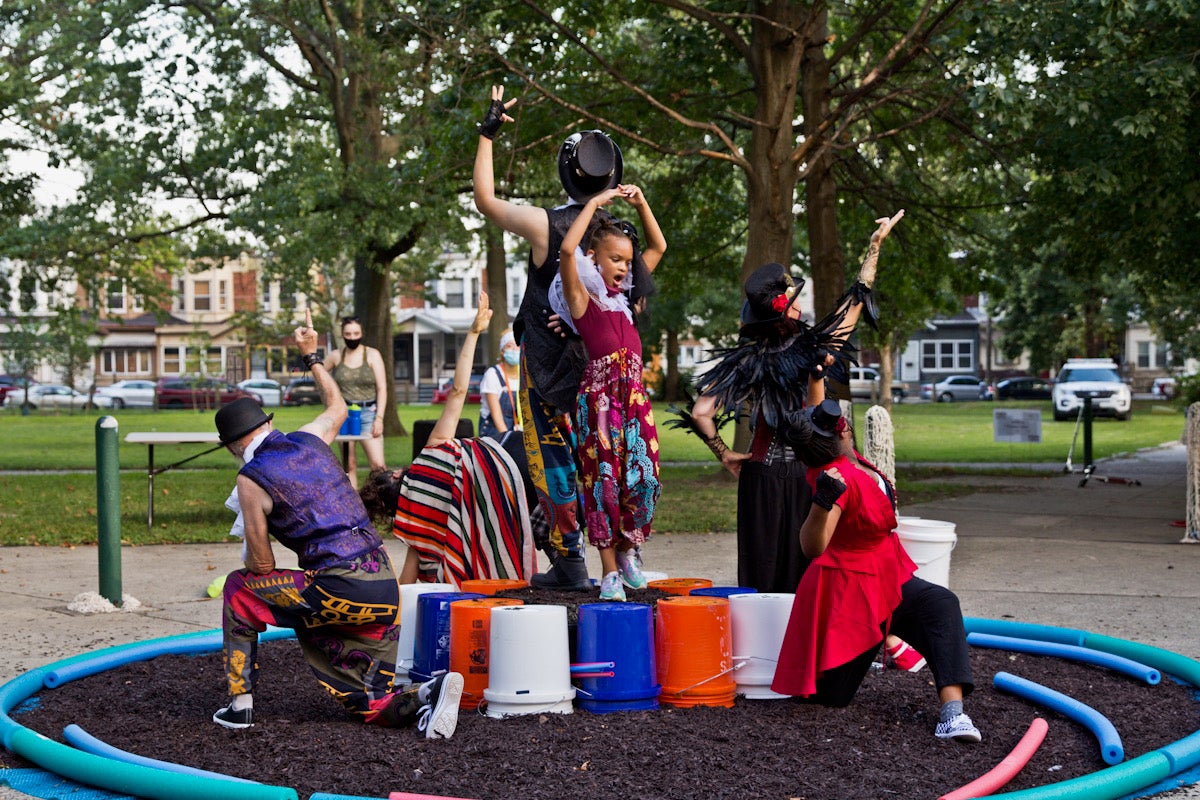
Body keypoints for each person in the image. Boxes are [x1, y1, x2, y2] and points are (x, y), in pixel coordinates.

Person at [211, 308, 463, 738]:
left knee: (238, 589)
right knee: (370, 705)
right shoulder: (310, 436)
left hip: (338, 587)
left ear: (233, 448)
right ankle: (430, 692)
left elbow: (262, 569)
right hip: (384, 587)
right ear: (269, 424)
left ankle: (240, 705)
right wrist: (312, 356)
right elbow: (339, 405)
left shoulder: (250, 480)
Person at [473, 85, 653, 591]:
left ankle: (571, 559)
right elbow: (636, 298)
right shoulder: (619, 234)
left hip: (549, 371)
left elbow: (485, 199)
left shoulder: (547, 225)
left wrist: (488, 132)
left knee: (551, 458)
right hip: (605, 374)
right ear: (612, 176)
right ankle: (621, 558)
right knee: (607, 460)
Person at [685, 212, 904, 595]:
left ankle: (761, 647)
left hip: (759, 478)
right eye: (795, 301)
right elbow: (854, 306)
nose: (801, 307)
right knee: (807, 576)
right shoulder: (815, 348)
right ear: (787, 311)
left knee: (761, 576)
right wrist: (874, 248)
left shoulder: (746, 359)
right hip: (809, 475)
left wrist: (724, 453)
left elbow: (702, 413)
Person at [769, 398, 981, 742]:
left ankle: (952, 715)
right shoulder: (838, 477)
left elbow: (812, 409)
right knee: (830, 699)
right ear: (841, 433)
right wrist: (822, 502)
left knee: (940, 604)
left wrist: (817, 369)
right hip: (847, 593)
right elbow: (812, 547)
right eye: (839, 422)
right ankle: (885, 642)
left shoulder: (848, 457)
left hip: (887, 573)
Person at [360, 294, 536, 588]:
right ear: (398, 473)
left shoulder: (415, 528)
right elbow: (458, 390)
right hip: (512, 456)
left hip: (514, 498)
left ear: (395, 510)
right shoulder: (430, 452)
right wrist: (473, 332)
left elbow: (408, 583)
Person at [555, 185, 666, 601]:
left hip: (634, 401)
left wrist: (641, 202)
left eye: (626, 260)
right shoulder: (583, 299)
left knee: (644, 478)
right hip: (599, 403)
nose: (623, 266)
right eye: (614, 259)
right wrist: (594, 204)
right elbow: (567, 251)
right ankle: (608, 573)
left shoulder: (628, 301)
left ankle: (626, 552)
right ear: (595, 259)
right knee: (602, 484)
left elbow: (658, 244)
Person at [325, 315, 389, 487]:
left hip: (368, 414)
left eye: (356, 333)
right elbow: (320, 377)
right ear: (342, 335)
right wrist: (330, 402)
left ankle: (383, 506)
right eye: (348, 334)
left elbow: (382, 388)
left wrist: (379, 418)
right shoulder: (335, 356)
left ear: (361, 333)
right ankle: (353, 508)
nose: (352, 337)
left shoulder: (373, 355)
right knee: (349, 465)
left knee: (378, 466)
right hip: (343, 415)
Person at [478, 329, 521, 441]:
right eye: (510, 346)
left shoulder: (524, 376)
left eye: (518, 346)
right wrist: (508, 441)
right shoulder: (493, 375)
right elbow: (496, 415)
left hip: (518, 432)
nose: (515, 350)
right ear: (502, 351)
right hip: (494, 433)